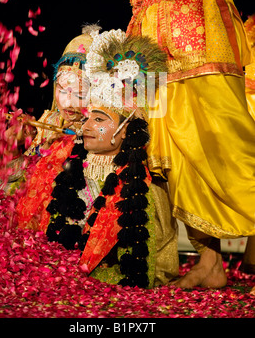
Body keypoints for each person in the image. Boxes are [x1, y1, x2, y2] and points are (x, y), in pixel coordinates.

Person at [105, 0, 255, 289]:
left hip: (197, 16)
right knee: (174, 155)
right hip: (153, 24)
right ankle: (210, 262)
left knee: (223, 144)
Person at [46, 28, 179, 288]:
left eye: (98, 120)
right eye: (87, 119)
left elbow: (152, 263)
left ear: (126, 130)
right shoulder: (70, 164)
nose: (85, 127)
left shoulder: (142, 187)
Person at [14, 25, 98, 231]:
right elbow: (21, 178)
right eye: (62, 90)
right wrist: (15, 146)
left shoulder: (101, 128)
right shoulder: (49, 121)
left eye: (79, 93)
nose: (68, 103)